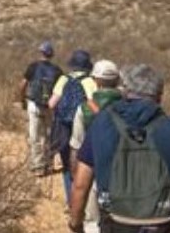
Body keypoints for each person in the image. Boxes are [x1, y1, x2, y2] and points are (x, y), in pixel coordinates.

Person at [69, 64, 170, 233]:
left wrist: (76, 225)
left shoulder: (102, 124)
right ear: (159, 97)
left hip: (115, 225)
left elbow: (80, 185)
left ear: (124, 92)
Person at [69, 59, 123, 233]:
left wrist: (75, 174)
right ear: (118, 80)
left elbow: (76, 147)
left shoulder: (84, 109)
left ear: (95, 81)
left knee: (92, 222)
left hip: (93, 171)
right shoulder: (129, 107)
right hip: (125, 172)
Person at [51, 49, 96, 204]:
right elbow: (93, 104)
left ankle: (71, 202)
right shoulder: (89, 81)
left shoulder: (63, 79)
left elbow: (51, 103)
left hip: (63, 126)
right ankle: (84, 202)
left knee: (67, 165)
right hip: (83, 126)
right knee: (85, 163)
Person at [20, 40, 62, 174]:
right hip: (50, 106)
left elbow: (22, 85)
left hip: (34, 104)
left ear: (41, 52)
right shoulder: (57, 70)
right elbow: (61, 90)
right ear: (51, 55)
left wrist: (22, 100)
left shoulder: (33, 67)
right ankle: (48, 164)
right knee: (49, 135)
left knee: (35, 136)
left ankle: (38, 166)